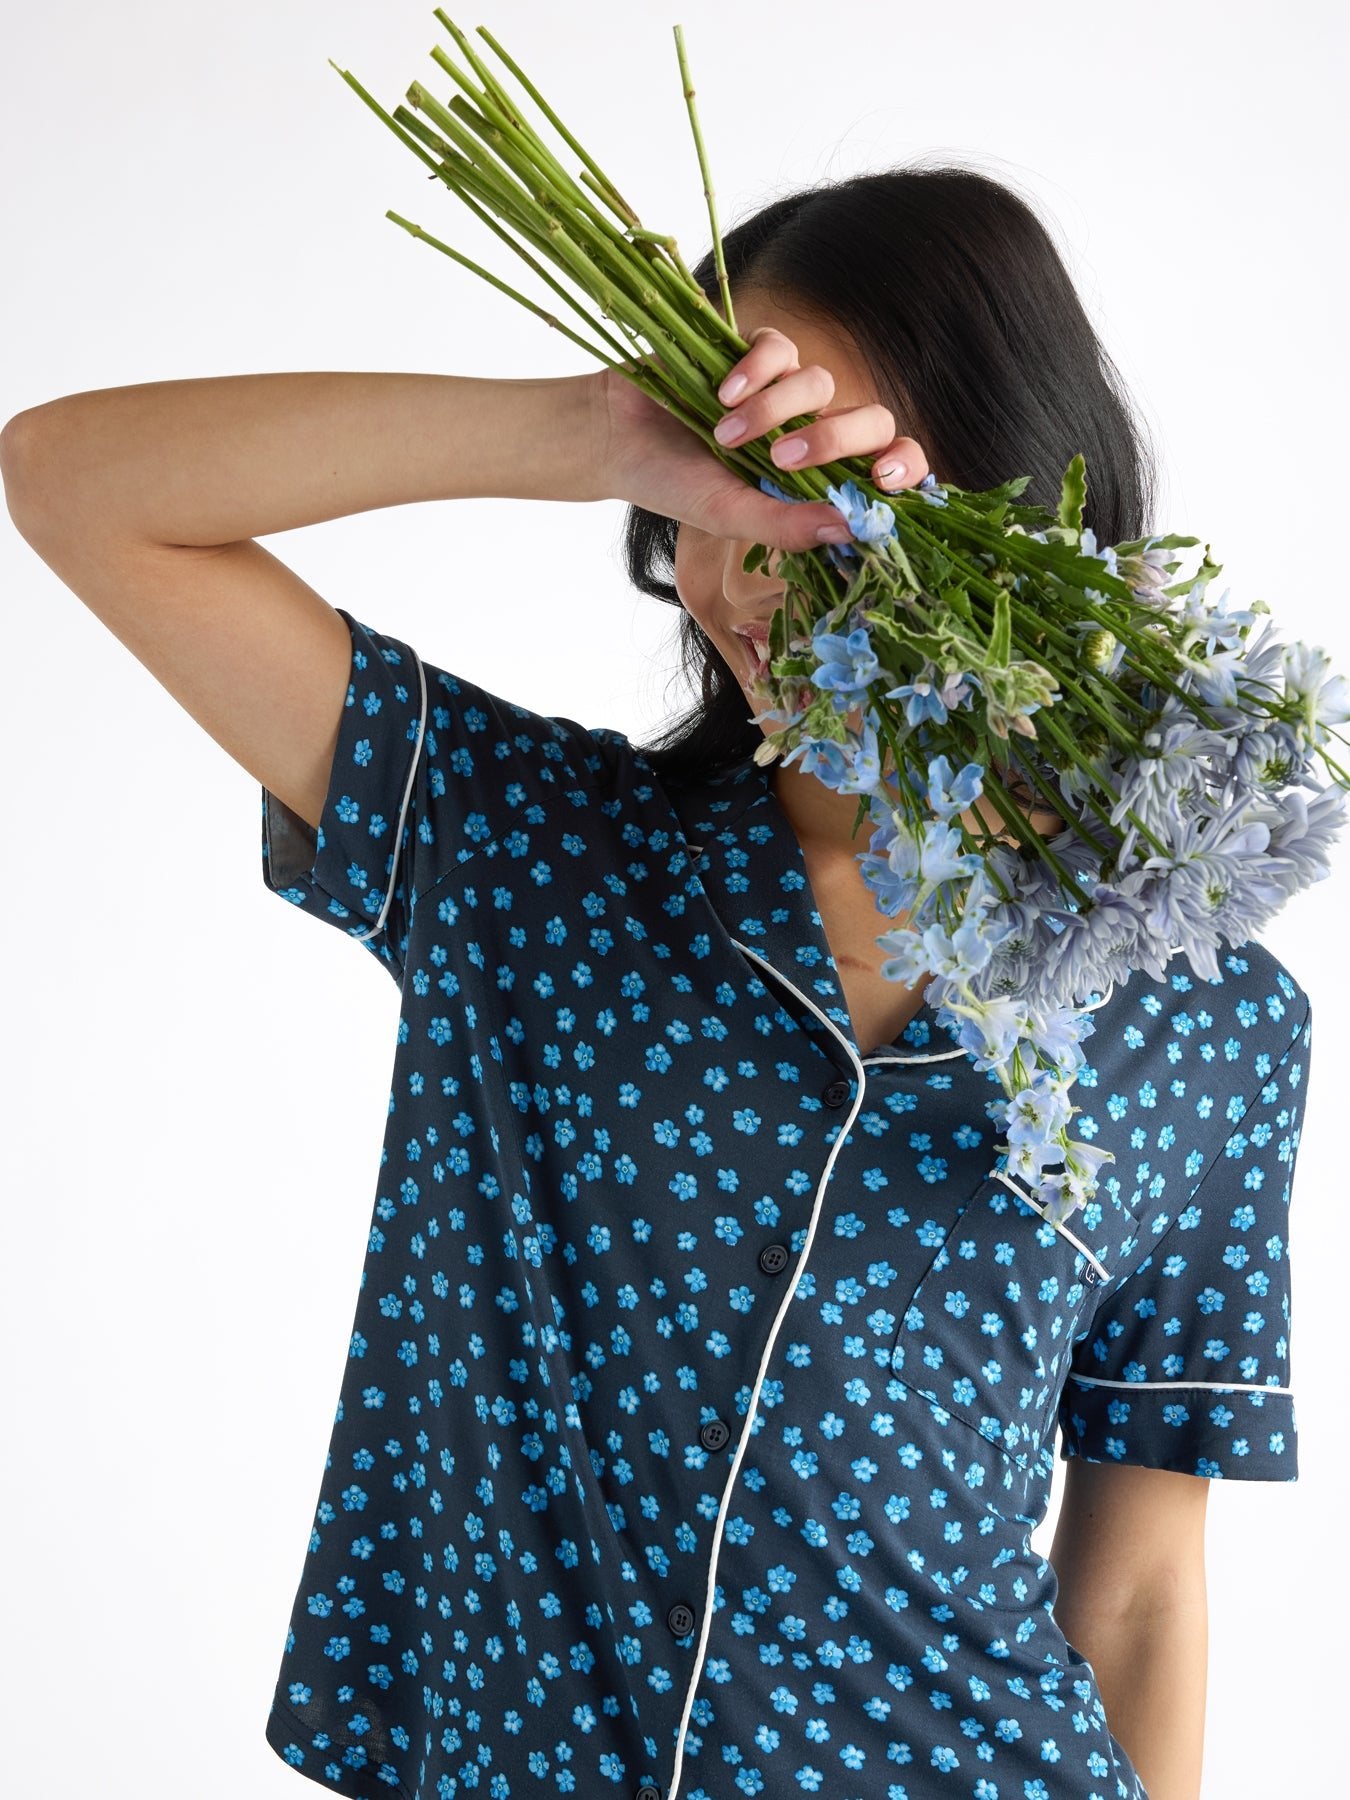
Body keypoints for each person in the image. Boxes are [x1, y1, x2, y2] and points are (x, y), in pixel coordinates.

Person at [0, 165, 1312, 1800]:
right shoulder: (521, 851)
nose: (745, 579)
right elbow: (70, 479)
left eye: (814, 500)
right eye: (713, 500)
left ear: (1008, 517)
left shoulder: (1207, 1021)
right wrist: (590, 431)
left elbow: (1135, 1583)